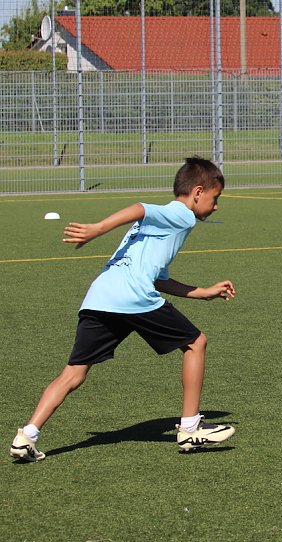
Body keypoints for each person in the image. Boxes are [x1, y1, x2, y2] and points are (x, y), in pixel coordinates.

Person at [9, 157, 236, 462]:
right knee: (196, 343)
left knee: (73, 374)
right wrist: (97, 229)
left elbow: (158, 279)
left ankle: (27, 436)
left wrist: (203, 292)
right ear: (198, 192)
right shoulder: (181, 215)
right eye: (215, 198)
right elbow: (140, 207)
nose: (216, 206)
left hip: (101, 296)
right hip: (132, 297)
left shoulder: (164, 226)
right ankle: (191, 426)